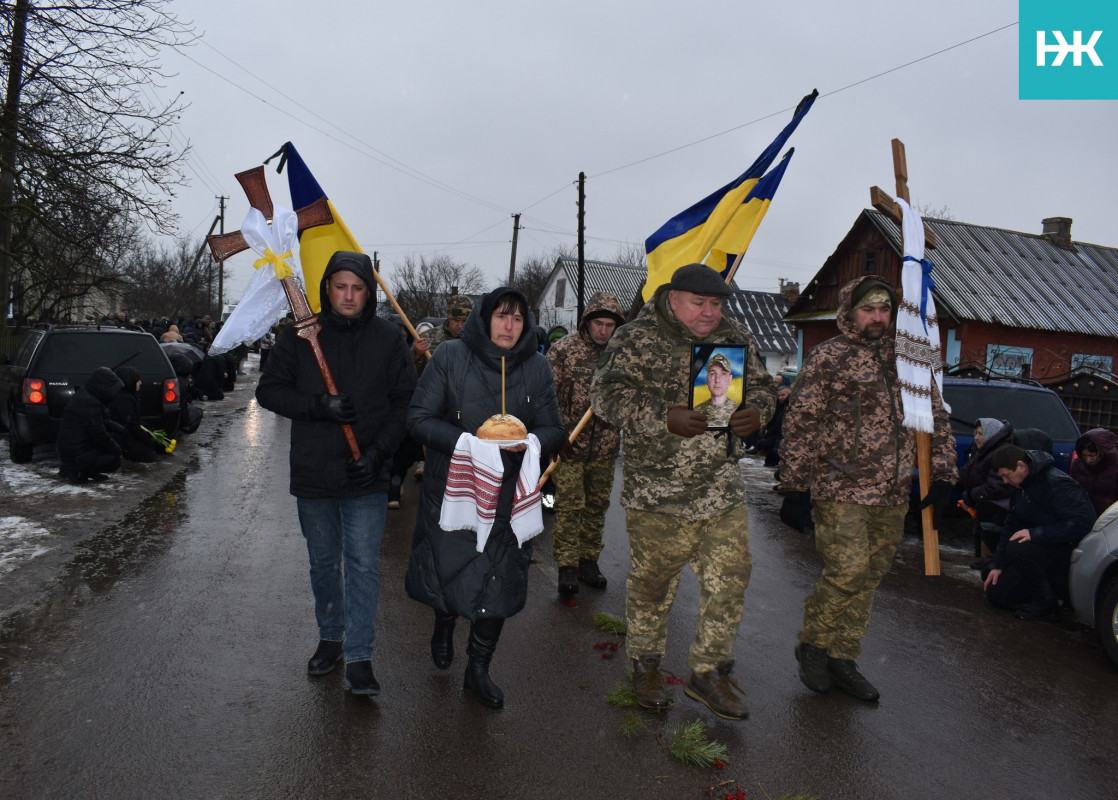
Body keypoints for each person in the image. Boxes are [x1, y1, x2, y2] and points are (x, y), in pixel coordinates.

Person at [591, 263, 776, 720]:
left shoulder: (734, 337)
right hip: (659, 493)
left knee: (730, 579)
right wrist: (662, 415)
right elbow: (605, 395)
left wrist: (760, 412)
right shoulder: (636, 337)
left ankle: (708, 672)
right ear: (674, 298)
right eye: (700, 303)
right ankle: (647, 664)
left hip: (720, 488)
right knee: (654, 587)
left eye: (717, 304)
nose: (711, 313)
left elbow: (768, 388)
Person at [778, 276, 957, 703]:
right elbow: (801, 425)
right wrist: (794, 487)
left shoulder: (911, 358)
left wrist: (945, 475)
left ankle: (843, 657)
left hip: (893, 492)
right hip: (840, 488)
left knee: (871, 577)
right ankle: (815, 645)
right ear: (849, 310)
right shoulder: (829, 358)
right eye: (868, 308)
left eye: (884, 309)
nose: (877, 317)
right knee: (848, 572)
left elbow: (936, 418)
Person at [256, 251, 416, 697]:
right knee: (323, 562)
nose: (349, 295)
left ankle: (360, 655)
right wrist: (317, 406)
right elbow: (268, 391)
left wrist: (379, 453)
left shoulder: (388, 340)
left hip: (365, 474)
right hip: (314, 472)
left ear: (369, 292)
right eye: (340, 286)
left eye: (358, 287)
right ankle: (331, 638)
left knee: (363, 565)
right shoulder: (302, 337)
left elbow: (405, 403)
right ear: (327, 287)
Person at [405, 287, 564, 710]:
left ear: (526, 324)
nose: (508, 326)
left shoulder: (538, 368)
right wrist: (470, 444)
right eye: (500, 316)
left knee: (497, 581)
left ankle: (478, 668)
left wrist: (530, 442)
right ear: (484, 318)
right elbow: (418, 419)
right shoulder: (451, 356)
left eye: (516, 318)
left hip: (511, 498)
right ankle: (443, 622)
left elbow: (555, 429)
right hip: (455, 491)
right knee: (450, 572)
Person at [545, 291, 626, 597]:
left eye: (609, 325)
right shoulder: (563, 351)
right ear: (587, 322)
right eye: (598, 324)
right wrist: (555, 433)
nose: (603, 331)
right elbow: (546, 396)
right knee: (570, 505)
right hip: (569, 446)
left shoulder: (621, 357)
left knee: (596, 506)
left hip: (605, 448)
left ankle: (587, 561)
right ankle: (566, 566)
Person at [985, 444, 1096, 620]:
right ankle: (1045, 590)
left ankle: (1047, 601)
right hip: (1039, 547)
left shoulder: (1057, 483)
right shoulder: (1019, 486)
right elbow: (1011, 525)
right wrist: (998, 564)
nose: (1005, 482)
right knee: (995, 591)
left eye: (1007, 475)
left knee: (1017, 548)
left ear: (1022, 466)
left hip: (1068, 548)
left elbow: (1082, 523)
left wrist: (1035, 534)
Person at [411, 294, 474, 482]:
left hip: (465, 405)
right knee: (436, 452)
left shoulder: (475, 341)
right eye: (456, 319)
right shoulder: (428, 338)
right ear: (448, 316)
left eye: (464, 320)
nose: (460, 325)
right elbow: (408, 372)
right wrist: (417, 354)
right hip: (435, 405)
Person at [958, 417, 1016, 558]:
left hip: (996, 515)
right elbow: (966, 474)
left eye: (981, 434)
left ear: (992, 434)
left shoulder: (1000, 454)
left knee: (990, 555)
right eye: (976, 433)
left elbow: (996, 487)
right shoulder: (981, 452)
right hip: (984, 513)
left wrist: (970, 496)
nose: (977, 438)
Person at [56, 366, 124, 484]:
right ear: (104, 387)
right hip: (76, 454)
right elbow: (99, 433)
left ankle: (86, 470)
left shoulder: (86, 395)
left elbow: (102, 424)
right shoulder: (90, 403)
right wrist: (117, 451)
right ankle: (76, 469)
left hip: (71, 450)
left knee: (113, 441)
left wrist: (121, 429)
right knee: (114, 460)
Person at [107, 366, 159, 463]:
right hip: (120, 439)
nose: (140, 383)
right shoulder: (124, 400)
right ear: (129, 381)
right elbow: (131, 425)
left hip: (124, 437)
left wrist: (151, 431)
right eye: (137, 380)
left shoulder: (128, 396)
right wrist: (147, 438)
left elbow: (136, 421)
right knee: (149, 455)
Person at [1069, 428, 1118, 518]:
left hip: (1108, 518)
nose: (1088, 460)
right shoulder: (1079, 465)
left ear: (1103, 452)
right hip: (1083, 515)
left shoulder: (1115, 466)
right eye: (1084, 456)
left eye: (1092, 455)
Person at [693, 352, 735, 428]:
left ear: (730, 379)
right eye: (712, 373)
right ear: (707, 378)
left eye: (723, 374)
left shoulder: (738, 412)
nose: (717, 380)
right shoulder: (695, 412)